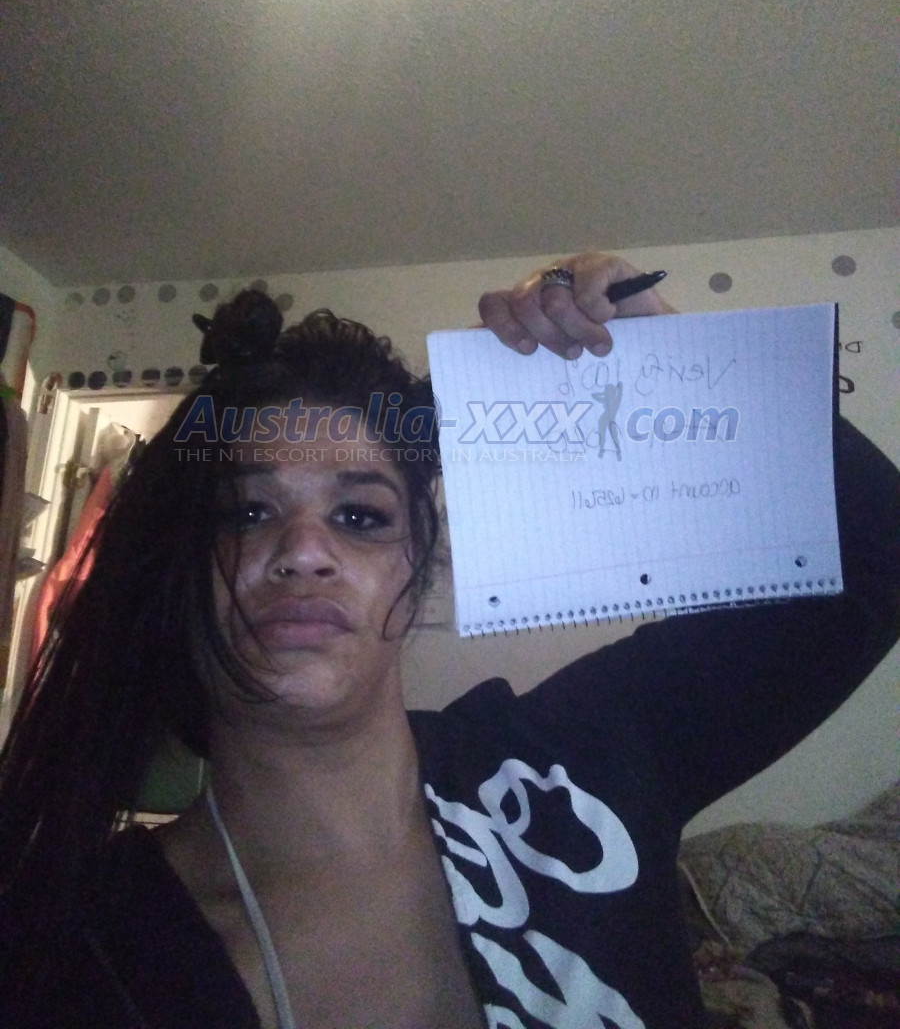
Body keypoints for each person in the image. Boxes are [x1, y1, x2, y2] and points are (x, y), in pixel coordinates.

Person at [0, 253, 896, 1029]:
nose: (305, 551)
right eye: (247, 512)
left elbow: (876, 552)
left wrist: (670, 358)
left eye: (360, 516)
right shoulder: (76, 947)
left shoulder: (581, 767)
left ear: (417, 567)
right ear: (178, 568)